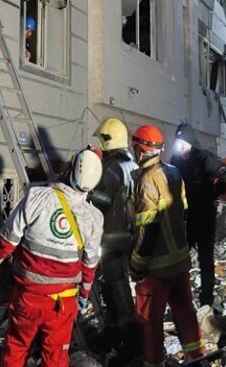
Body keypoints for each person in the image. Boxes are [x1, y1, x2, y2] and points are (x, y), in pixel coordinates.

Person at [0, 149, 104, 367]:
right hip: (62, 303)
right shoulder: (94, 217)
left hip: (28, 296)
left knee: (16, 348)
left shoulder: (37, 197)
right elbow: (90, 265)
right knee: (55, 358)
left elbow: (7, 240)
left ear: (69, 170)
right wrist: (83, 294)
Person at [129, 125, 206, 366]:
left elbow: (147, 229)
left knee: (150, 319)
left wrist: (137, 265)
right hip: (180, 261)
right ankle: (196, 358)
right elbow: (181, 212)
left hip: (157, 267)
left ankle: (154, 362)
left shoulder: (146, 180)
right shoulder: (173, 173)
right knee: (185, 311)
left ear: (140, 150)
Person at [89, 118, 140, 365]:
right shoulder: (133, 165)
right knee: (112, 290)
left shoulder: (110, 169)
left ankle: (131, 346)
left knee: (119, 293)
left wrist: (86, 190)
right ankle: (111, 335)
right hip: (129, 239)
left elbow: (102, 202)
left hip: (112, 239)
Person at [169, 122, 226, 306]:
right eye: (178, 142)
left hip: (205, 215)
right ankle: (180, 295)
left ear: (190, 142)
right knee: (180, 256)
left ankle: (207, 298)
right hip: (186, 217)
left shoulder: (204, 158)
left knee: (206, 259)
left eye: (183, 142)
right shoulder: (176, 161)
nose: (180, 146)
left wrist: (215, 192)